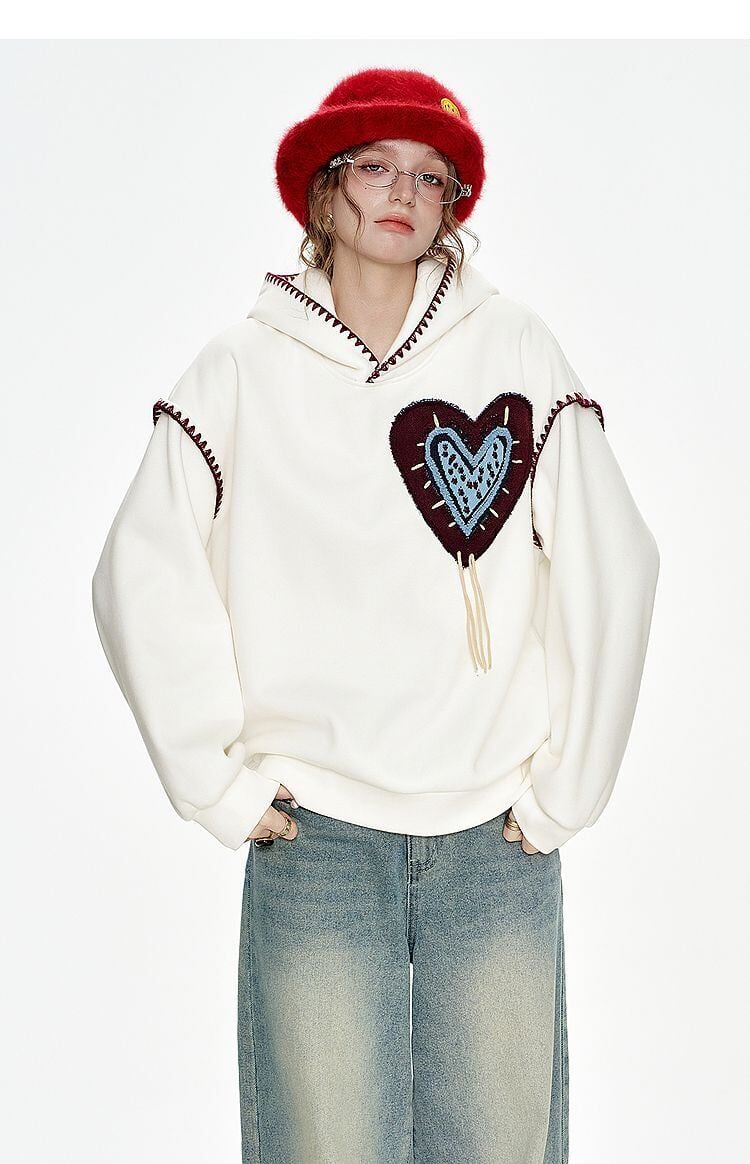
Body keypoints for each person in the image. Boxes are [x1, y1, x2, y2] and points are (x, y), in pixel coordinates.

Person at [91, 67, 660, 1164]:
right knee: (324, 1146)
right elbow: (138, 570)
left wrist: (567, 790)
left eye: (431, 177)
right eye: (377, 167)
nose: (403, 192)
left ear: (453, 207)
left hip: (494, 835)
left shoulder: (516, 348)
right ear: (326, 187)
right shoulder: (240, 368)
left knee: (499, 1145)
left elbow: (615, 557)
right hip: (317, 837)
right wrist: (216, 782)